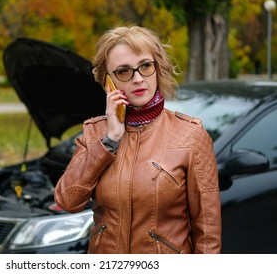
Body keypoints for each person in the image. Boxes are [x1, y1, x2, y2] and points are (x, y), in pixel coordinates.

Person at [54, 25, 221, 254]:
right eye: (124, 71)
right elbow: (68, 201)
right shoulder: (95, 133)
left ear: (157, 67)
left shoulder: (191, 135)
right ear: (107, 81)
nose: (138, 78)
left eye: (145, 66)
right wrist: (110, 140)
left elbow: (207, 231)